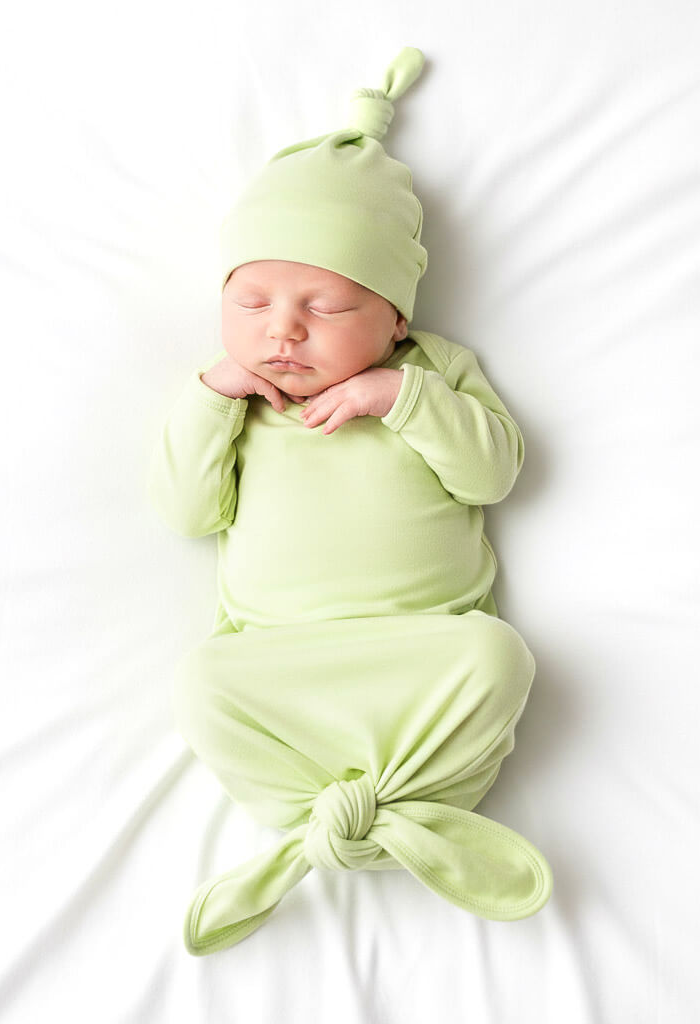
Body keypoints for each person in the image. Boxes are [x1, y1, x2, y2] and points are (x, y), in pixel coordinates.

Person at [149, 47, 551, 956]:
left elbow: (493, 476)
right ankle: (334, 814)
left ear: (396, 320)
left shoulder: (434, 374)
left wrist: (400, 401)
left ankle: (397, 808)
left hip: (424, 646)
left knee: (499, 657)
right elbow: (184, 512)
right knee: (202, 685)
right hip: (279, 659)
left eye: (323, 308)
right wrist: (213, 398)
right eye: (251, 300)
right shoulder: (230, 400)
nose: (280, 329)